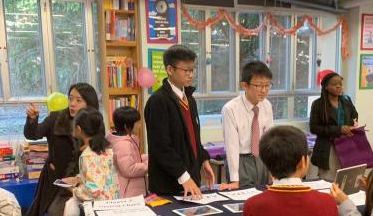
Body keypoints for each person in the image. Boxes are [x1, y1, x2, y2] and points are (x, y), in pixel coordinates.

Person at [24, 83, 98, 216]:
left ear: (89, 103)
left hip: (83, 181)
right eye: (71, 98)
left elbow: (97, 150)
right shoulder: (57, 118)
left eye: (78, 100)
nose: (72, 103)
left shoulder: (93, 121)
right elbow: (33, 134)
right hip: (57, 181)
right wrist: (32, 120)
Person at [144, 45, 214, 199]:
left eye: (192, 70)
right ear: (170, 70)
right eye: (186, 70)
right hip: (168, 185)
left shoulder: (189, 99)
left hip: (191, 180)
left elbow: (194, 137)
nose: (190, 75)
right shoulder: (158, 101)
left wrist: (203, 159)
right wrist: (184, 177)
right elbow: (161, 147)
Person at [220, 61, 274, 190]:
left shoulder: (266, 105)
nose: (264, 90)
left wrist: (273, 171)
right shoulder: (230, 108)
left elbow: (270, 140)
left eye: (267, 85)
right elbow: (231, 145)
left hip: (262, 159)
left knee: (264, 196)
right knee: (244, 199)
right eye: (259, 85)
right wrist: (234, 179)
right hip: (241, 160)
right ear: (245, 85)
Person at [310, 72, 358, 181]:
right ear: (326, 87)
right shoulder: (318, 104)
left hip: (347, 145)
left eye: (340, 84)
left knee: (346, 179)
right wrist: (339, 129)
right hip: (328, 148)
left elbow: (355, 116)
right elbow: (314, 128)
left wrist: (352, 125)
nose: (338, 86)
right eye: (334, 84)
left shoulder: (346, 101)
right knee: (328, 181)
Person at [107, 106, 148, 198]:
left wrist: (147, 157)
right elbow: (129, 169)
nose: (140, 126)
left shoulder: (124, 140)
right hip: (129, 193)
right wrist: (148, 164)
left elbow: (132, 158)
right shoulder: (123, 144)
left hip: (132, 190)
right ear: (127, 126)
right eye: (137, 123)